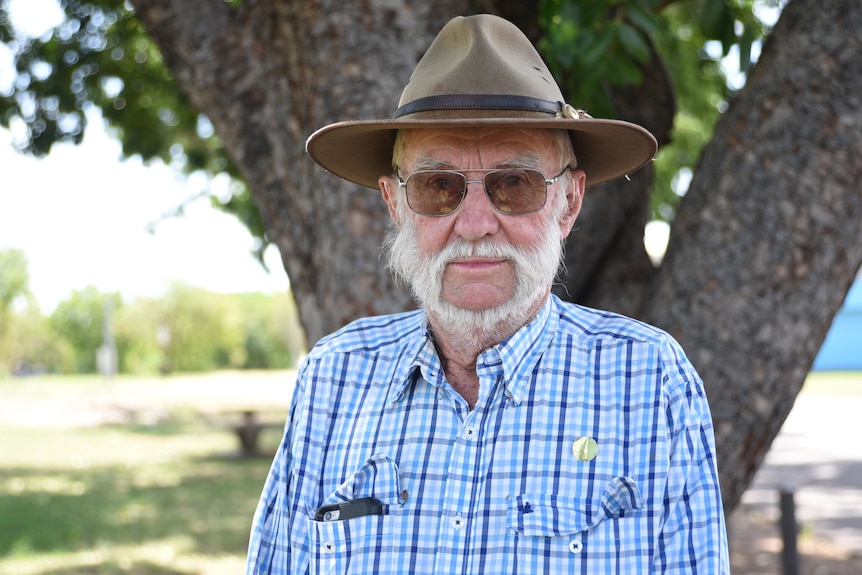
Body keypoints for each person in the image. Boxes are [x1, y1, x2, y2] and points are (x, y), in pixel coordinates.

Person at [247, 13, 729, 575]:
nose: (475, 223)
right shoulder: (332, 377)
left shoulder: (651, 380)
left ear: (568, 203)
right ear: (395, 204)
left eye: (514, 184)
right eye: (438, 186)